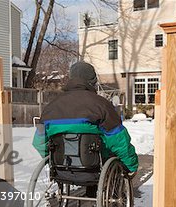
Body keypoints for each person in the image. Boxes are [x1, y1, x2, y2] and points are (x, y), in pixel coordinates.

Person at [32, 61, 138, 195]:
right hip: (93, 166)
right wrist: (131, 165)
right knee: (108, 149)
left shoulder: (50, 107)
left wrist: (52, 158)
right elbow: (118, 139)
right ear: (92, 81)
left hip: (61, 167)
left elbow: (39, 141)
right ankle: (106, 194)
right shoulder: (101, 105)